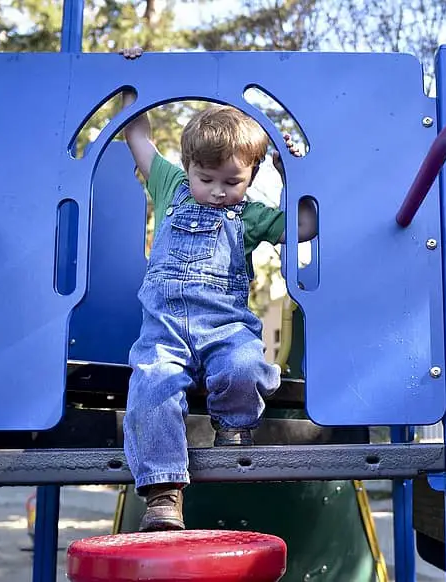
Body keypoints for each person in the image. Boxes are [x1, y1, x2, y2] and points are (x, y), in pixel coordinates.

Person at [118, 46, 316, 532]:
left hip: (226, 327)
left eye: (232, 181)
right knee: (151, 387)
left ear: (252, 175)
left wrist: (296, 172)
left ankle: (233, 428)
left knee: (247, 365)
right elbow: (137, 134)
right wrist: (131, 77)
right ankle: (163, 494)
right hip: (164, 330)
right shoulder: (167, 185)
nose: (217, 190)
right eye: (206, 178)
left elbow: (305, 226)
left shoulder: (249, 215)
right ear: (187, 167)